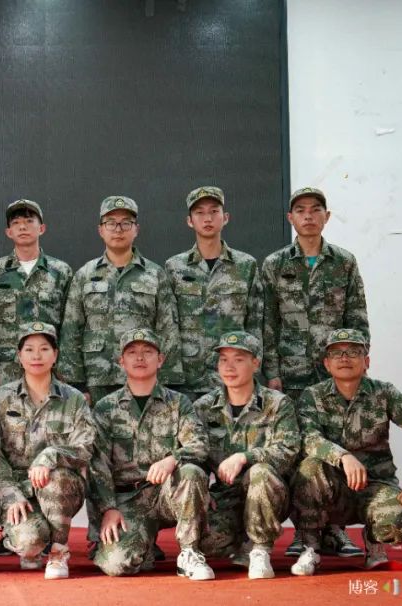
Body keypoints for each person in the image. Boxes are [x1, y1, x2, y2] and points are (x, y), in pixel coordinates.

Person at [261, 187, 369, 558]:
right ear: (290, 218)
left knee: (336, 446)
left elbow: (357, 318)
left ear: (327, 216)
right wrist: (272, 373)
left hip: (333, 375)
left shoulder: (344, 262)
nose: (308, 216)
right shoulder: (275, 264)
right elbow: (268, 323)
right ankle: (303, 530)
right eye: (300, 210)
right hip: (290, 375)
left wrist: (355, 364)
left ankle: (335, 528)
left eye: (315, 209)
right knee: (295, 453)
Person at [290, 329, 402, 576]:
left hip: (374, 486)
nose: (344, 358)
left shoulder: (384, 393)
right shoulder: (313, 396)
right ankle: (311, 547)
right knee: (309, 468)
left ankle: (374, 542)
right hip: (333, 490)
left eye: (353, 352)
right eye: (336, 353)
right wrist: (343, 456)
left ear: (366, 361)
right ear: (327, 364)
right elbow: (308, 437)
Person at [88, 328, 214, 581]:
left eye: (148, 352)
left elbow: (199, 444)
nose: (140, 358)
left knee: (190, 472)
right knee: (118, 564)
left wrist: (172, 459)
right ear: (121, 361)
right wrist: (108, 509)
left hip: (167, 495)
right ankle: (142, 546)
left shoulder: (178, 403)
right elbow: (97, 464)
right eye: (132, 352)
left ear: (161, 360)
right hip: (129, 500)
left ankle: (189, 552)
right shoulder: (106, 408)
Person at [0, 323, 97, 580]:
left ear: (55, 355)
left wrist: (51, 455)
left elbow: (85, 447)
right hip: (20, 492)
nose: (36, 356)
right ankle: (34, 543)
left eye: (44, 349)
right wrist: (11, 494)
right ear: (19, 356)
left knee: (57, 477)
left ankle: (58, 551)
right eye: (29, 349)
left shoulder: (74, 399)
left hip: (60, 489)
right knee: (29, 541)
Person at [194, 331, 300, 579]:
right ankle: (242, 540)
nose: (229, 367)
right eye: (223, 360)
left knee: (260, 472)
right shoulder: (204, 407)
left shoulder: (277, 403)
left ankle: (260, 548)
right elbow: (195, 451)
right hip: (227, 495)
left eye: (238, 359)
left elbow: (288, 450)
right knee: (207, 543)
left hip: (270, 492)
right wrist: (202, 491)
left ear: (256, 363)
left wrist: (245, 457)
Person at [59, 196, 183, 405]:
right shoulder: (85, 275)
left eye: (126, 223)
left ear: (136, 229)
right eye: (111, 223)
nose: (118, 229)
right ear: (100, 230)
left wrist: (167, 382)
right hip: (96, 379)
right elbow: (71, 330)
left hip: (143, 378)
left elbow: (167, 329)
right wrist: (76, 384)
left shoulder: (154, 274)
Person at [164, 187, 263, 402]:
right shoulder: (175, 267)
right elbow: (169, 324)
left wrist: (255, 370)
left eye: (214, 211)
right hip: (188, 376)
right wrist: (171, 375)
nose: (207, 218)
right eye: (199, 213)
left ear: (225, 217)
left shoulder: (246, 265)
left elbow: (255, 322)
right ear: (189, 221)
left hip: (232, 376)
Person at [0, 198, 73, 391]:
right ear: (8, 232)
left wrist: (66, 368)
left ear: (42, 228)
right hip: (6, 369)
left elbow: (70, 325)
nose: (22, 227)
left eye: (29, 221)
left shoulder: (61, 271)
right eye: (16, 223)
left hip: (50, 368)